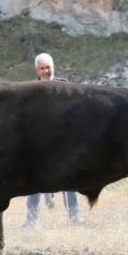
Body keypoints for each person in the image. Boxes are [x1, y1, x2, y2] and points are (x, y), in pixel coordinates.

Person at [22, 53, 82, 228]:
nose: (46, 71)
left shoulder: (66, 87)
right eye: (42, 68)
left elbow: (77, 113)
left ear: (53, 67)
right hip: (39, 145)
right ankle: (31, 221)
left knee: (69, 180)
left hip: (64, 143)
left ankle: (75, 218)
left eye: (48, 67)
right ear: (37, 70)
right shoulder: (30, 90)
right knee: (34, 182)